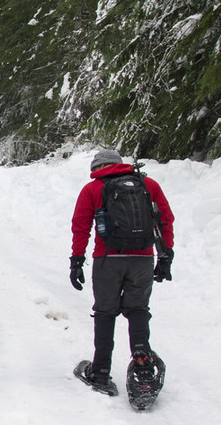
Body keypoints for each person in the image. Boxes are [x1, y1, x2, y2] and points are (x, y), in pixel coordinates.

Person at [69, 147, 175, 401]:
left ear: (96, 169)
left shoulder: (92, 189)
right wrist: (165, 255)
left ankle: (101, 371)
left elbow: (81, 225)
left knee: (105, 313)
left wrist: (77, 259)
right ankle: (142, 366)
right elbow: (165, 220)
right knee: (138, 310)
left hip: (107, 259)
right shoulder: (147, 184)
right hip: (142, 258)